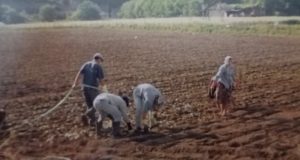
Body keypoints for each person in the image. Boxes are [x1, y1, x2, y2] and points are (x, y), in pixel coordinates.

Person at [72, 53, 105, 126]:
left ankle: (91, 122)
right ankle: (87, 114)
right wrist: (105, 89)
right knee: (97, 104)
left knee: (89, 105)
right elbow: (101, 79)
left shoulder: (86, 64)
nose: (100, 62)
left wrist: (75, 83)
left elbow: (79, 73)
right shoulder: (98, 66)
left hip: (84, 88)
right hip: (92, 89)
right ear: (98, 59)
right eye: (101, 60)